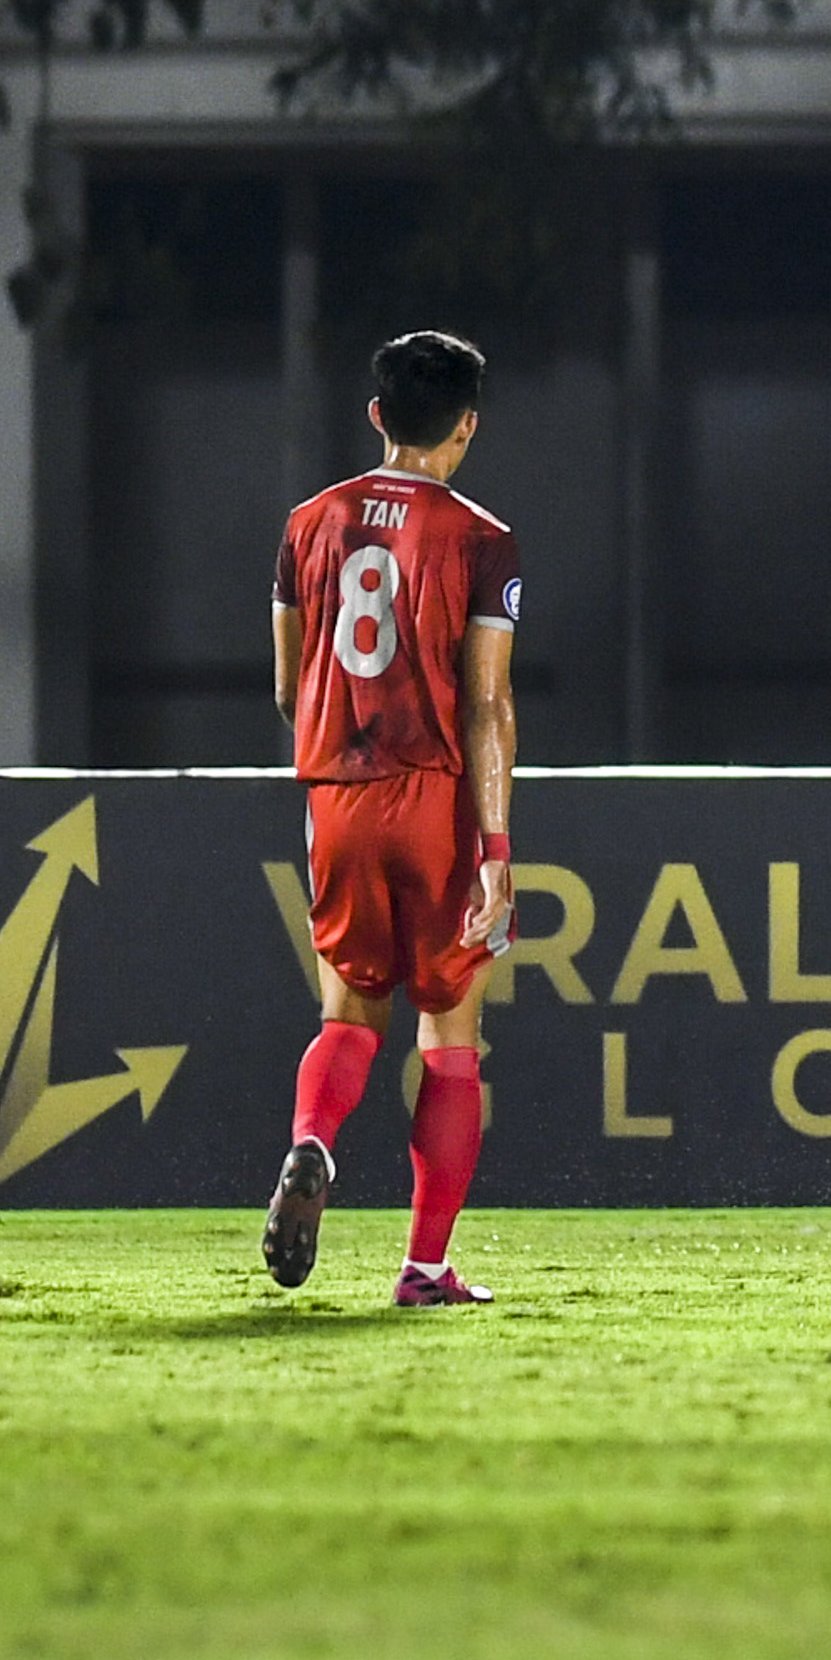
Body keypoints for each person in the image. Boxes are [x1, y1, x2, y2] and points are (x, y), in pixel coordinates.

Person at [261, 329, 520, 1306]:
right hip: (434, 798)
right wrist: (494, 848)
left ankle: (312, 1143)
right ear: (467, 427)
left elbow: (288, 687)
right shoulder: (482, 539)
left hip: (337, 788)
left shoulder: (307, 524)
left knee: (348, 1013)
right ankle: (424, 1267)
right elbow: (487, 705)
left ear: (376, 415)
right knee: (450, 1037)